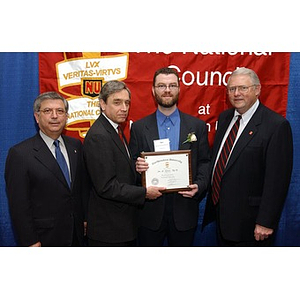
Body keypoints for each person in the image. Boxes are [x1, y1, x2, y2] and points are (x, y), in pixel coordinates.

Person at [202, 67, 293, 246]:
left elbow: (277, 180)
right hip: (222, 219)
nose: (237, 93)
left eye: (243, 88)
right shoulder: (225, 118)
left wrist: (265, 221)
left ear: (257, 90)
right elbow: (220, 161)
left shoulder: (276, 126)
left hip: (252, 225)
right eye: (232, 89)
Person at [129, 67, 211, 246]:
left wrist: (199, 185)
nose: (167, 90)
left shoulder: (197, 126)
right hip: (150, 213)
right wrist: (137, 167)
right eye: (161, 86)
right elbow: (131, 165)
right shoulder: (139, 128)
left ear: (180, 89)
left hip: (185, 210)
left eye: (172, 85)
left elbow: (205, 162)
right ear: (153, 90)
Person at [83, 80, 163, 247]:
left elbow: (117, 170)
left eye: (127, 103)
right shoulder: (100, 135)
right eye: (117, 102)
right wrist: (144, 193)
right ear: (102, 104)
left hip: (121, 226)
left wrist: (135, 169)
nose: (124, 108)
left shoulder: (115, 129)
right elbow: (106, 186)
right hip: (109, 231)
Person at [5, 91, 89, 246]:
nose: (55, 116)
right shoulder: (20, 154)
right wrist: (30, 241)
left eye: (60, 111)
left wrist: (83, 218)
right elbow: (19, 205)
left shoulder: (75, 146)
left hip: (76, 234)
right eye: (47, 111)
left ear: (66, 116)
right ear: (37, 117)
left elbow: (80, 189)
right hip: (44, 237)